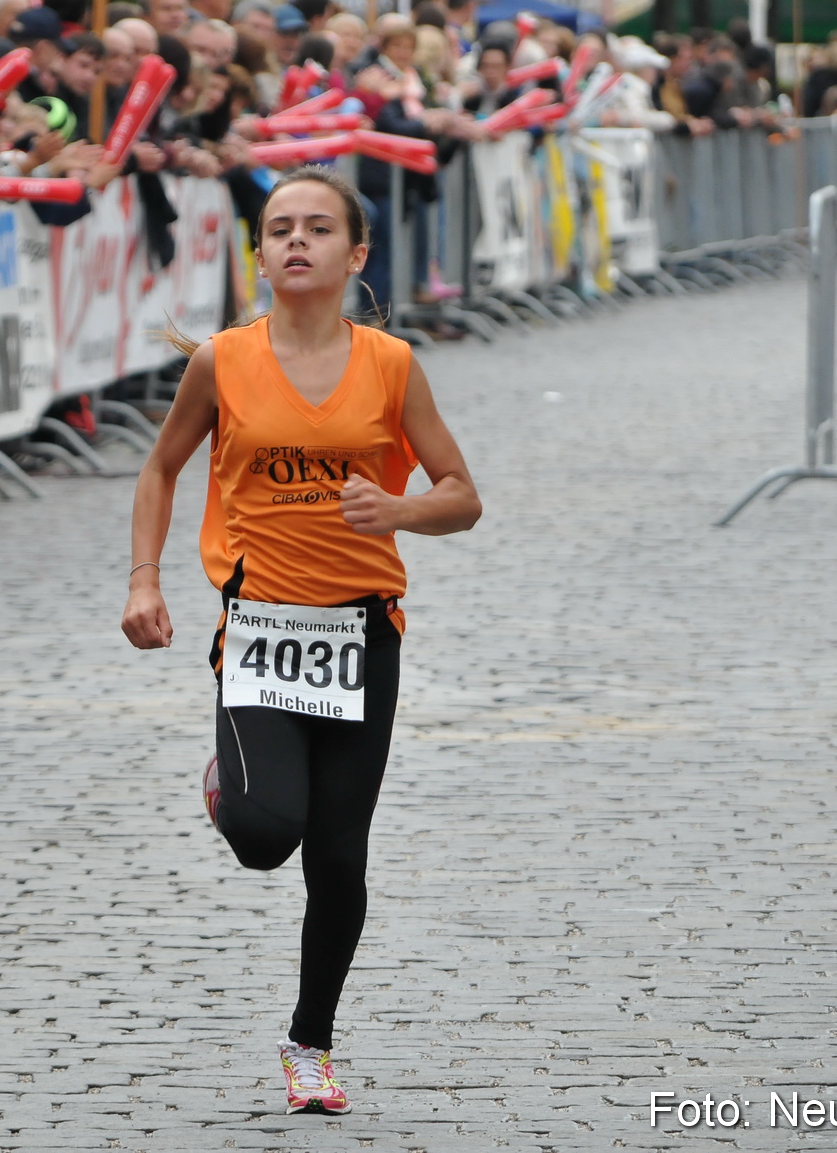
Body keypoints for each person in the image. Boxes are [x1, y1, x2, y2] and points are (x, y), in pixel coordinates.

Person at [120, 166, 481, 1115]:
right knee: (262, 834)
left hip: (364, 633)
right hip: (262, 628)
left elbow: (461, 495)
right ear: (260, 252)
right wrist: (144, 580)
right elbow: (159, 471)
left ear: (355, 253)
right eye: (278, 228)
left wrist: (396, 508)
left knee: (339, 856)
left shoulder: (392, 364)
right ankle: (228, 781)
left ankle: (310, 1045)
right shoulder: (223, 362)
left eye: (318, 228)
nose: (295, 241)